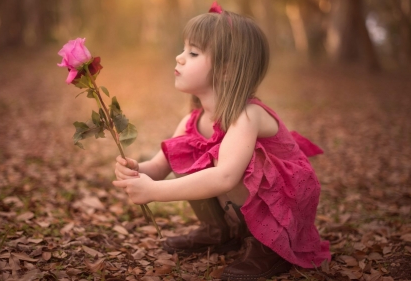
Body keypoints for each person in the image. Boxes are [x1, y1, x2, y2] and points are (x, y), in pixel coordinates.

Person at [113, 2, 331, 279]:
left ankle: (270, 245)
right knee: (186, 149)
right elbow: (159, 166)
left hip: (284, 201)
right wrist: (135, 171)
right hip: (247, 193)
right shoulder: (192, 121)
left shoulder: (248, 115)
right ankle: (221, 230)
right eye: (183, 50)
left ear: (227, 70)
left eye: (192, 53)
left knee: (227, 164)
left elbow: (227, 177)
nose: (179, 58)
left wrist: (155, 192)